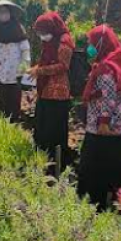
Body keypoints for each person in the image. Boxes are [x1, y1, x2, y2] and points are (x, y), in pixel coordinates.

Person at [77, 25, 121, 208]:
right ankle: (118, 206)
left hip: (107, 128)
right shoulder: (117, 59)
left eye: (91, 43)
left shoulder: (107, 68)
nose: (89, 46)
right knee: (117, 169)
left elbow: (108, 97)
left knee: (93, 169)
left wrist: (103, 123)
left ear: (101, 44)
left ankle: (94, 206)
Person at [27, 11, 74, 171]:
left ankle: (55, 165)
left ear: (51, 28)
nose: (42, 36)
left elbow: (63, 66)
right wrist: (37, 69)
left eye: (43, 32)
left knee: (54, 130)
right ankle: (41, 160)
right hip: (45, 91)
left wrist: (40, 71)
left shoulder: (64, 42)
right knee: (41, 127)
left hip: (58, 94)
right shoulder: (51, 41)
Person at [0, 0, 29, 122]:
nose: (4, 15)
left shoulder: (18, 29)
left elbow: (25, 50)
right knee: (1, 96)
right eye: (1, 13)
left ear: (10, 14)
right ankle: (2, 121)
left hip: (15, 70)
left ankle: (14, 120)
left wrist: (24, 67)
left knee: (15, 97)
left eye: (6, 12)